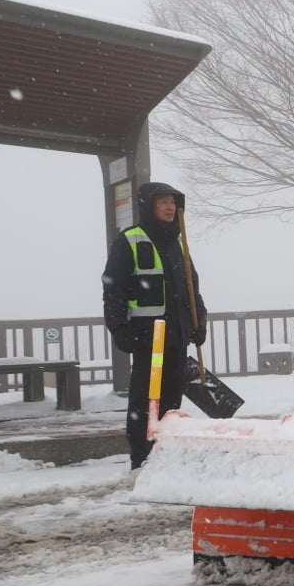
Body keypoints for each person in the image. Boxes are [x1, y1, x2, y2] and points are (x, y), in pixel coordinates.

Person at [102, 182, 207, 470]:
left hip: (178, 334)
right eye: (162, 202)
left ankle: (167, 450)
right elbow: (114, 289)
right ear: (148, 205)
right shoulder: (130, 240)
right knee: (145, 398)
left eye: (173, 202)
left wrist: (200, 320)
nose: (170, 207)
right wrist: (119, 327)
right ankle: (142, 456)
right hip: (147, 336)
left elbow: (191, 287)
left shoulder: (179, 240)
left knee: (172, 398)